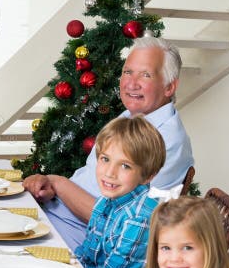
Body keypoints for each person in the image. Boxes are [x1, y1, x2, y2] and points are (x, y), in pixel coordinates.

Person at [24, 36, 193, 250]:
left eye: (146, 75)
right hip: (54, 215)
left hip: (79, 242)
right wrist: (49, 187)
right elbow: (89, 181)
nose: (131, 83)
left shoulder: (166, 140)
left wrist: (58, 183)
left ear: (169, 87)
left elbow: (121, 225)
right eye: (127, 72)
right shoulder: (129, 117)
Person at [75, 115, 165, 268]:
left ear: (148, 175)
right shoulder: (105, 201)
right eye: (105, 159)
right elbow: (86, 256)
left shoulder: (139, 220)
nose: (110, 173)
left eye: (125, 165)